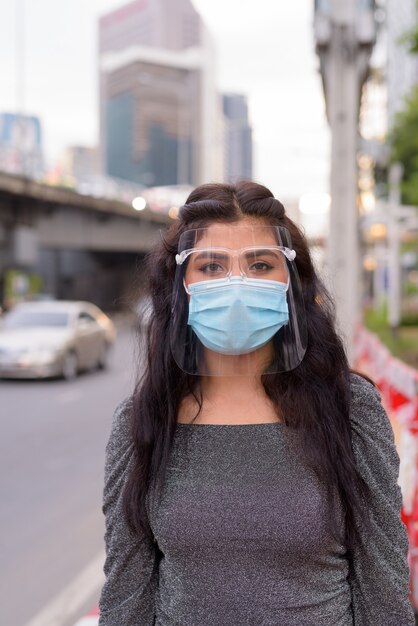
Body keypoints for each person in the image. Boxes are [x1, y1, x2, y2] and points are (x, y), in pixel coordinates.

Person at [98, 181, 414, 626]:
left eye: (260, 264)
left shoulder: (349, 408)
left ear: (293, 282)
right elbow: (126, 599)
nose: (237, 284)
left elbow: (384, 592)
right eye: (211, 266)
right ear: (179, 285)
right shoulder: (143, 422)